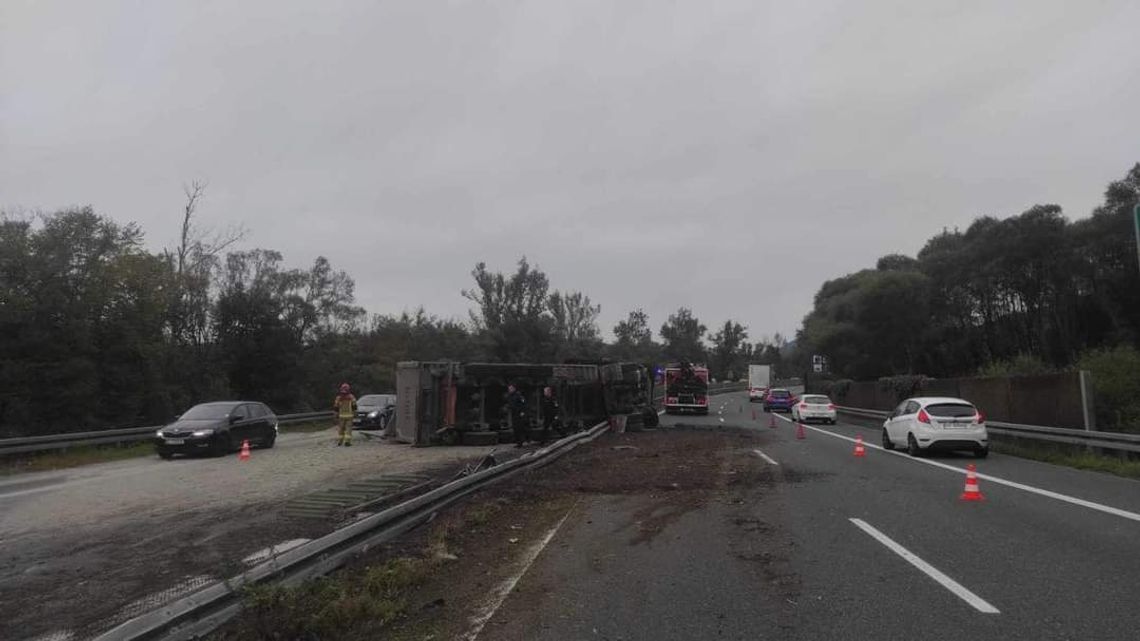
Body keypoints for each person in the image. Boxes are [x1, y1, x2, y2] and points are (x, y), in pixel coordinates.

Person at [505, 384, 528, 448]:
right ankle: (518, 442)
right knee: (515, 428)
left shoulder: (518, 396)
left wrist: (523, 412)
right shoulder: (510, 396)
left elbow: (524, 404)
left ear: (514, 389)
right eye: (509, 389)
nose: (510, 390)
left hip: (519, 414)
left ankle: (520, 442)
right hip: (514, 413)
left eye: (511, 388)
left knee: (519, 428)